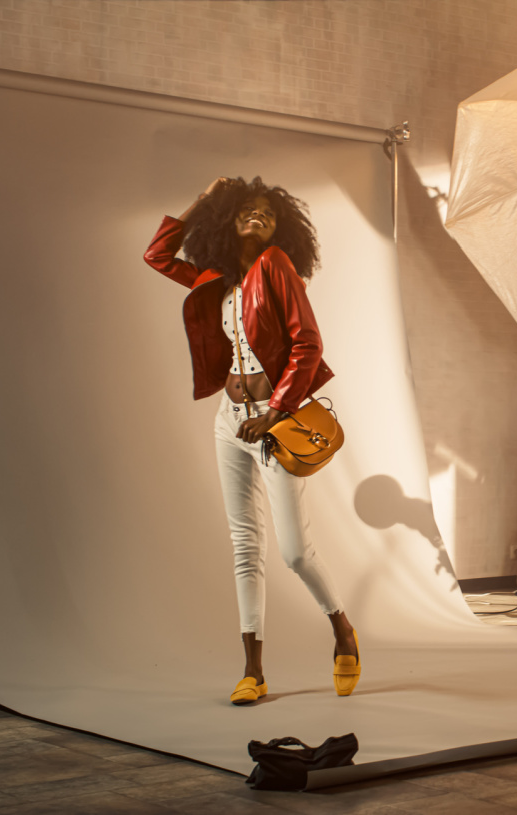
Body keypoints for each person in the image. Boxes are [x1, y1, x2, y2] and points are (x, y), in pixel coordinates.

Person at [144, 176, 360, 705]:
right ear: (228, 219)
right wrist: (203, 198)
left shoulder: (278, 266)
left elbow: (308, 344)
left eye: (268, 212)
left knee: (293, 552)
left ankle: (342, 629)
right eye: (247, 210)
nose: (258, 217)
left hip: (273, 420)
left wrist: (278, 410)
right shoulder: (217, 276)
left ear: (280, 226)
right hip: (228, 420)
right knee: (245, 546)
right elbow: (156, 254)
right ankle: (253, 672)